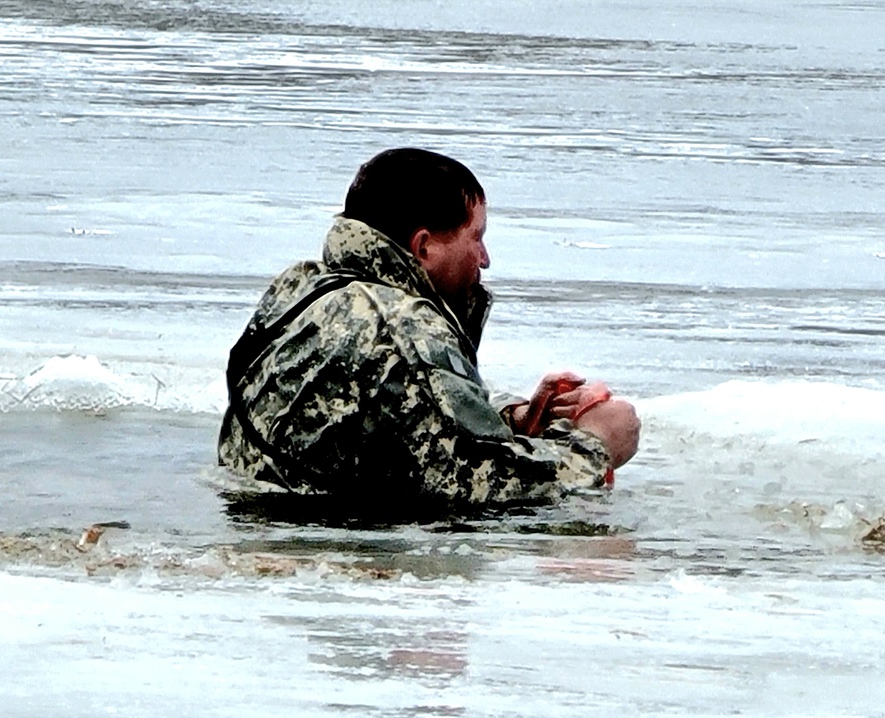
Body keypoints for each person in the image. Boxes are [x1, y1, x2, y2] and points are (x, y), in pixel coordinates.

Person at [218, 148, 639, 518]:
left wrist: (512, 419)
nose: (485, 259)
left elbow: (400, 409)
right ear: (424, 247)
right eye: (476, 238)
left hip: (260, 517)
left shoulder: (302, 289)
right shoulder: (402, 326)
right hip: (317, 541)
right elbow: (475, 484)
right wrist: (595, 444)